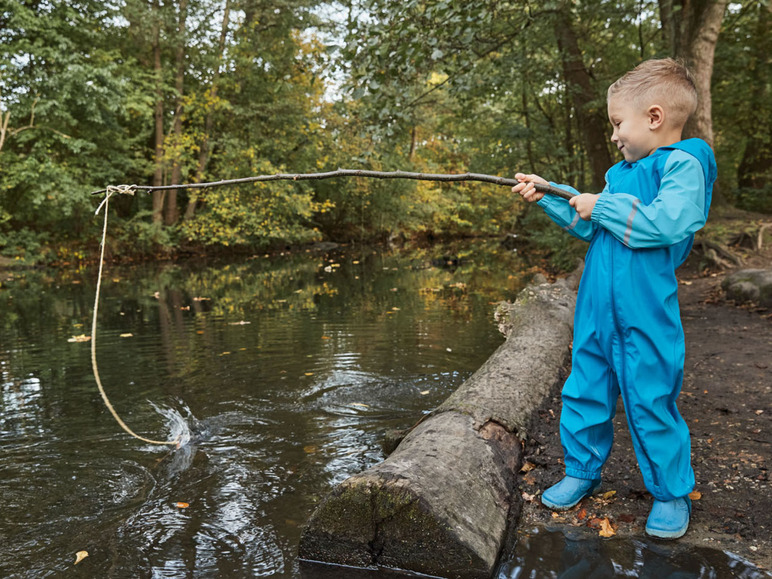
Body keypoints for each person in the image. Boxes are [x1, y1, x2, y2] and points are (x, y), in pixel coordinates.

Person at [512, 58, 717, 540]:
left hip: (646, 313)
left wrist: (600, 203)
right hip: (595, 312)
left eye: (617, 123)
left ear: (654, 116)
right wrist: (549, 197)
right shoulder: (620, 174)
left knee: (651, 397)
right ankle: (583, 470)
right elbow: (592, 225)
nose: (614, 135)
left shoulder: (683, 164)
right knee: (584, 389)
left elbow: (669, 221)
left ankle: (669, 492)